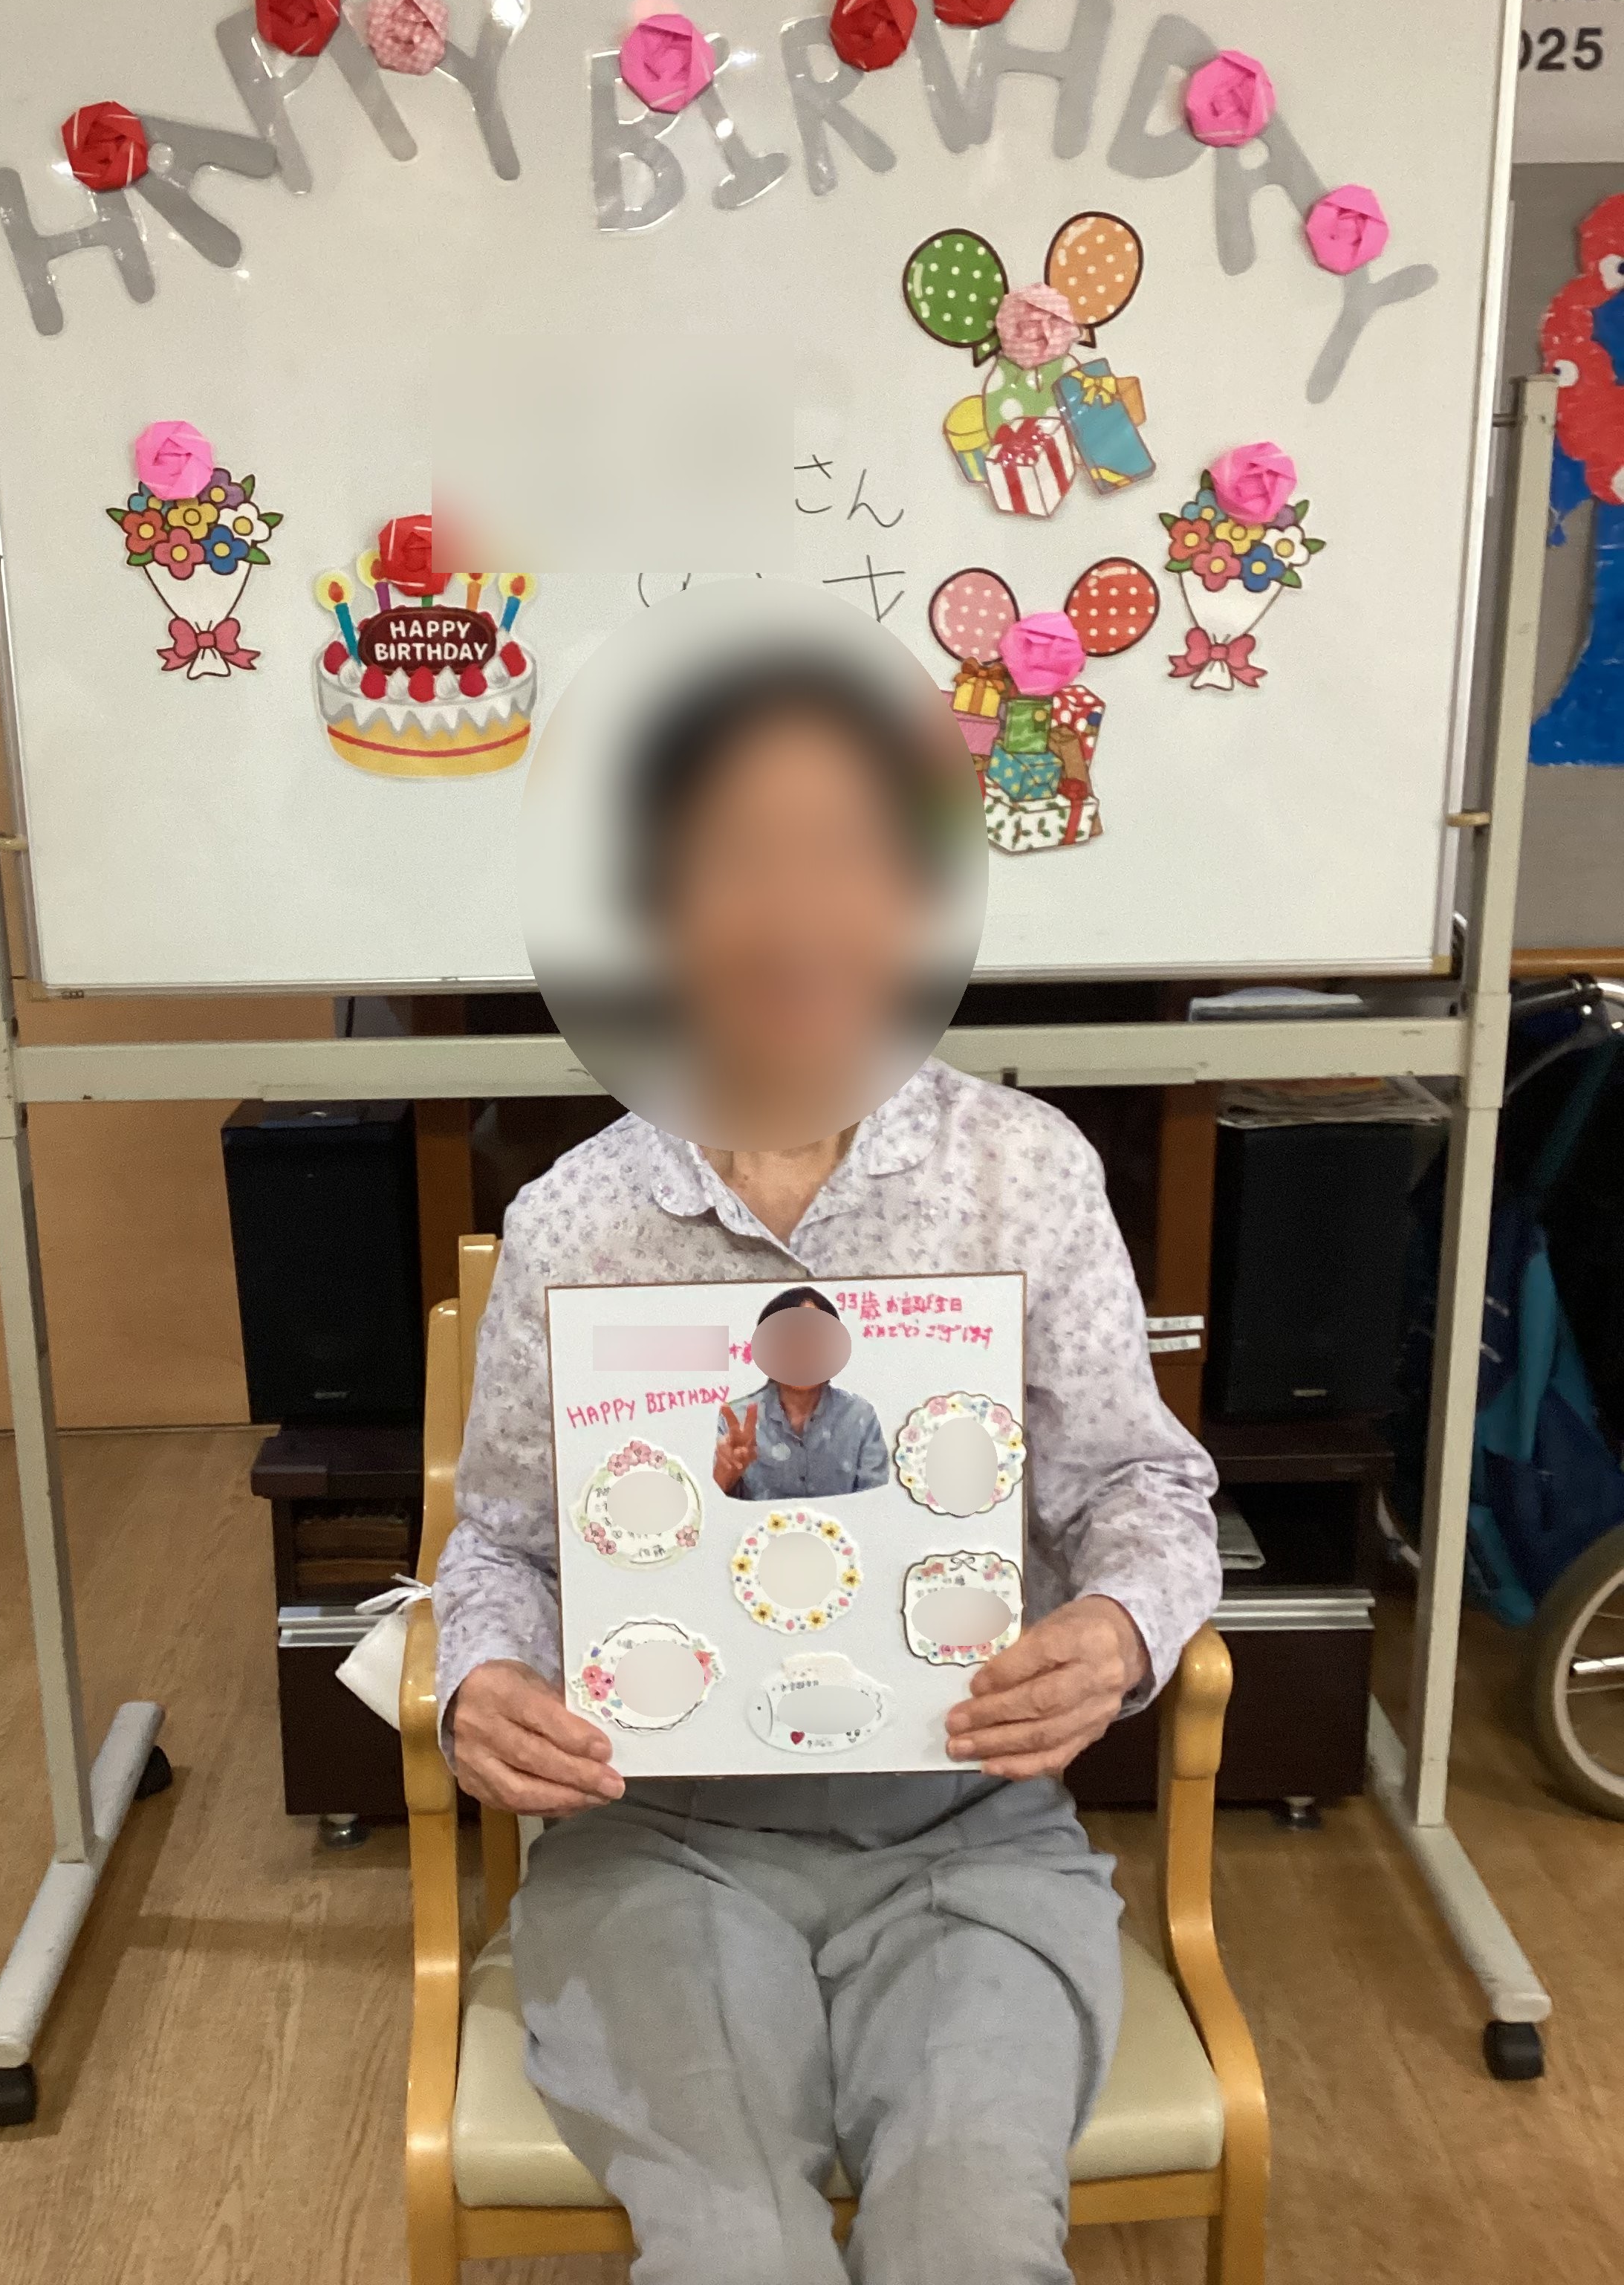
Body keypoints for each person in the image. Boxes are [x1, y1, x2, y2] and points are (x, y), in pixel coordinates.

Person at [435, 635, 1221, 2285]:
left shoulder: (1023, 1173)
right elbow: (502, 1544)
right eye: (741, 856)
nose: (798, 912)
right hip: (659, 1836)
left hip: (966, 1832)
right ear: (657, 903)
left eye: (850, 853)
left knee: (971, 2239)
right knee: (733, 2251)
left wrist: (1117, 1630)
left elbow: (1139, 1488)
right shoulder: (577, 1220)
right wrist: (480, 1684)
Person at [715, 1285, 891, 1500]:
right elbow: (712, 1505)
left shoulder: (859, 1416)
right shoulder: (735, 1419)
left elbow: (877, 1501)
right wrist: (726, 1473)